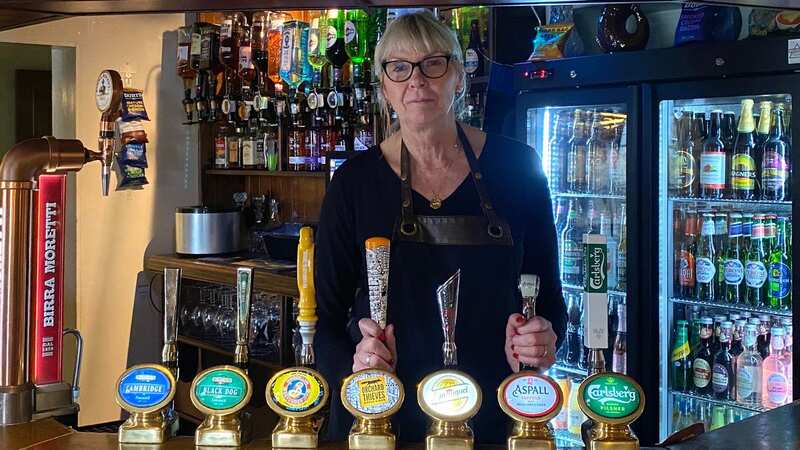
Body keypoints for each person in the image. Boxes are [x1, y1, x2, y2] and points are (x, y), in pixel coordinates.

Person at [314, 11, 566, 444]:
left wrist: (542, 339)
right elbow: (324, 318)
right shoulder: (353, 182)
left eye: (434, 63)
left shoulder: (518, 167)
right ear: (383, 85)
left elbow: (551, 300)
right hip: (380, 412)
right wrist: (353, 363)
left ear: (459, 75)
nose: (417, 80)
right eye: (399, 67)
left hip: (492, 409)